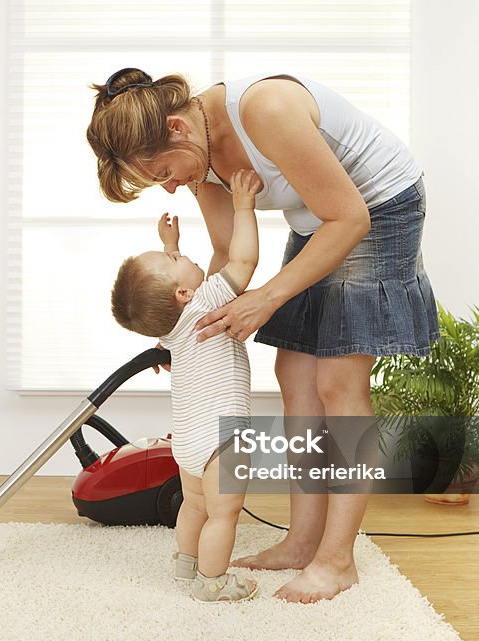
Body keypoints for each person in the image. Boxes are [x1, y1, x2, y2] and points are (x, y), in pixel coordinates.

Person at [88, 67, 438, 603]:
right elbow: (229, 259)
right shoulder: (198, 162)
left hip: (376, 209)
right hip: (318, 220)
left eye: (163, 172)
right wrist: (185, 336)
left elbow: (349, 218)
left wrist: (269, 297)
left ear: (179, 127)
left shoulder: (265, 109)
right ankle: (301, 542)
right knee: (294, 373)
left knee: (338, 382)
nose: (172, 187)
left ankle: (337, 559)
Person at [111, 169, 262, 602]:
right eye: (180, 261)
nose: (187, 258)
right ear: (182, 293)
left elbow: (169, 292)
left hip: (189, 439)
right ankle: (214, 583)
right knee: (224, 514)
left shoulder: (169, 331)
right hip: (224, 438)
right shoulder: (207, 302)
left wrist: (170, 249)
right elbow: (244, 263)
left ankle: (185, 564)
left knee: (195, 505)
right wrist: (242, 207)